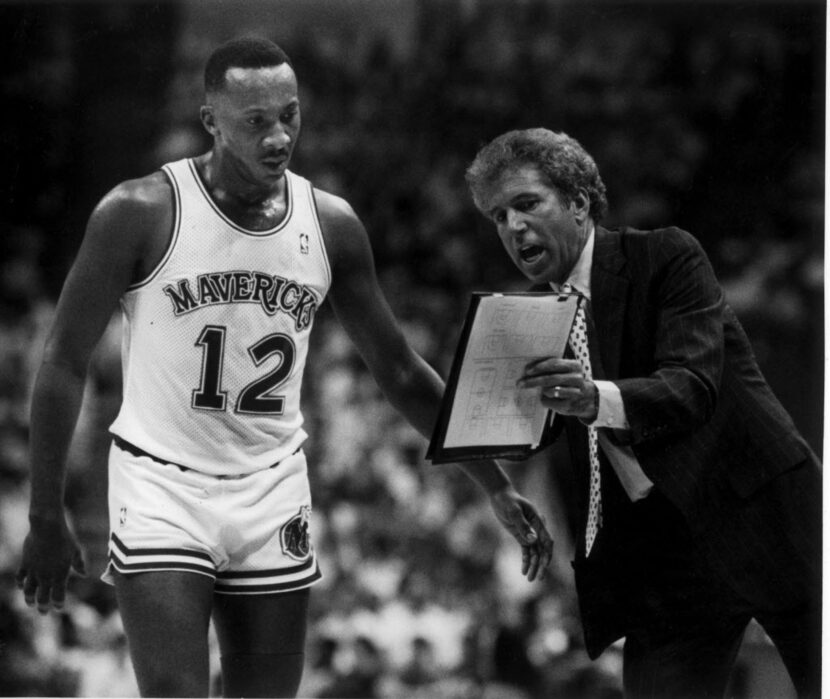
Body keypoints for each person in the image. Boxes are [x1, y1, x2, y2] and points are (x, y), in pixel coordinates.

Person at [15, 38, 553, 699]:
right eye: (256, 121)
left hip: (271, 486)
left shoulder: (331, 225)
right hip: (161, 482)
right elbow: (63, 358)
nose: (279, 137)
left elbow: (399, 368)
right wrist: (45, 511)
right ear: (211, 119)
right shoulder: (139, 212)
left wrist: (492, 482)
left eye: (290, 115)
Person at [464, 128, 821, 699]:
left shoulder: (666, 256)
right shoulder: (528, 322)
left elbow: (690, 387)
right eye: (498, 216)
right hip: (663, 560)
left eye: (527, 203)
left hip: (764, 515)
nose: (512, 226)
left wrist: (593, 397)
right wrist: (488, 455)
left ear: (579, 202)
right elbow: (517, 437)